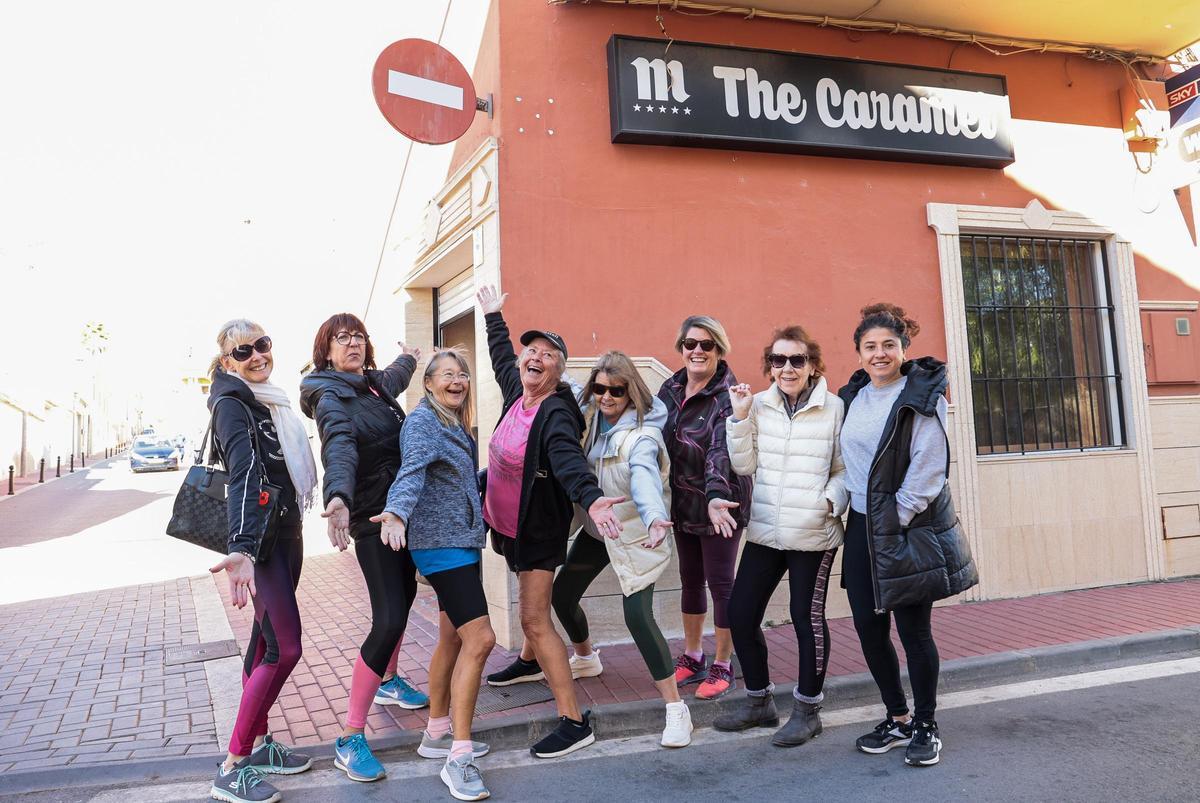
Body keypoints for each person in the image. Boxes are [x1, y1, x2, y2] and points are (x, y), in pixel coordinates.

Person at [475, 285, 625, 759]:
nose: (534, 358)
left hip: (538, 530)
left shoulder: (556, 412)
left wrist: (593, 498)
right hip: (510, 525)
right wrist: (493, 317)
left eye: (548, 355)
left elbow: (566, 459)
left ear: (560, 370)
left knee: (534, 619)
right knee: (528, 609)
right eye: (531, 351)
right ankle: (526, 663)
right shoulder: (517, 392)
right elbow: (502, 356)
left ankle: (574, 721)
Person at [837, 303, 978, 768]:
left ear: (903, 349)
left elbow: (928, 467)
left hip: (904, 524)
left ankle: (926, 724)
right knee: (868, 628)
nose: (879, 354)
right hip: (860, 526)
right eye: (870, 347)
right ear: (858, 353)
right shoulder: (853, 397)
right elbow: (848, 463)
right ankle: (897, 718)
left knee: (914, 632)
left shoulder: (920, 395)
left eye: (888, 346)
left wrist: (895, 518)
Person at [298, 314, 426, 783]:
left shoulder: (372, 383)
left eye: (357, 337)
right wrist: (339, 498)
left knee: (406, 598)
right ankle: (351, 736)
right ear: (325, 350)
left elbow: (395, 375)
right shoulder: (331, 395)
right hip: (372, 515)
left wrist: (413, 356)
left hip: (401, 511)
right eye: (341, 338)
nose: (352, 343)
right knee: (390, 615)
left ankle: (388, 681)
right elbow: (340, 445)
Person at [551, 351, 693, 749]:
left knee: (636, 616)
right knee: (561, 597)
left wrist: (653, 518)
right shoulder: (591, 415)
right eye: (600, 388)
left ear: (632, 391)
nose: (607, 397)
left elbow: (645, 476)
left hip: (636, 537)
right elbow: (566, 380)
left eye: (617, 390)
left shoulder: (642, 435)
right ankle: (586, 657)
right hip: (600, 531)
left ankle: (675, 709)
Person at [714, 326, 848, 747]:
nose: (787, 368)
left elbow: (845, 469)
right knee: (740, 612)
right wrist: (737, 417)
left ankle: (808, 710)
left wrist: (829, 501)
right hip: (767, 530)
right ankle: (760, 703)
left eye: (797, 360)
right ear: (769, 366)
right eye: (779, 360)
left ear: (813, 366)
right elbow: (744, 465)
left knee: (805, 620)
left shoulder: (834, 408)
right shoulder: (756, 406)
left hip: (813, 532)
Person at [373, 348, 495, 801]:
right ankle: (458, 757)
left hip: (458, 540)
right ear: (427, 383)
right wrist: (397, 513)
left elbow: (454, 480)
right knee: (481, 639)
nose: (458, 380)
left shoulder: (451, 421)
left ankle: (437, 732)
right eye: (447, 374)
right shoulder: (424, 421)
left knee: (452, 637)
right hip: (443, 547)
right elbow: (413, 472)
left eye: (462, 374)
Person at [206, 321, 319, 803]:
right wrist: (244, 548)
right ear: (229, 361)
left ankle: (261, 745)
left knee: (262, 644)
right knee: (284, 649)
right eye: (243, 350)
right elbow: (246, 474)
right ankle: (233, 766)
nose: (257, 355)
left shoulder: (268, 399)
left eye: (262, 344)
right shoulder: (233, 405)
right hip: (264, 545)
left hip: (286, 536)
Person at [655, 316, 753, 700]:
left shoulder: (728, 394)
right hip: (683, 503)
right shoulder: (671, 386)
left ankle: (724, 662)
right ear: (682, 347)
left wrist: (714, 495)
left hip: (722, 503)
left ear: (720, 350)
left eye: (707, 345)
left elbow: (720, 449)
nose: (698, 351)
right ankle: (693, 655)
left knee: (721, 584)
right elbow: (653, 434)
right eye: (691, 343)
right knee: (690, 579)